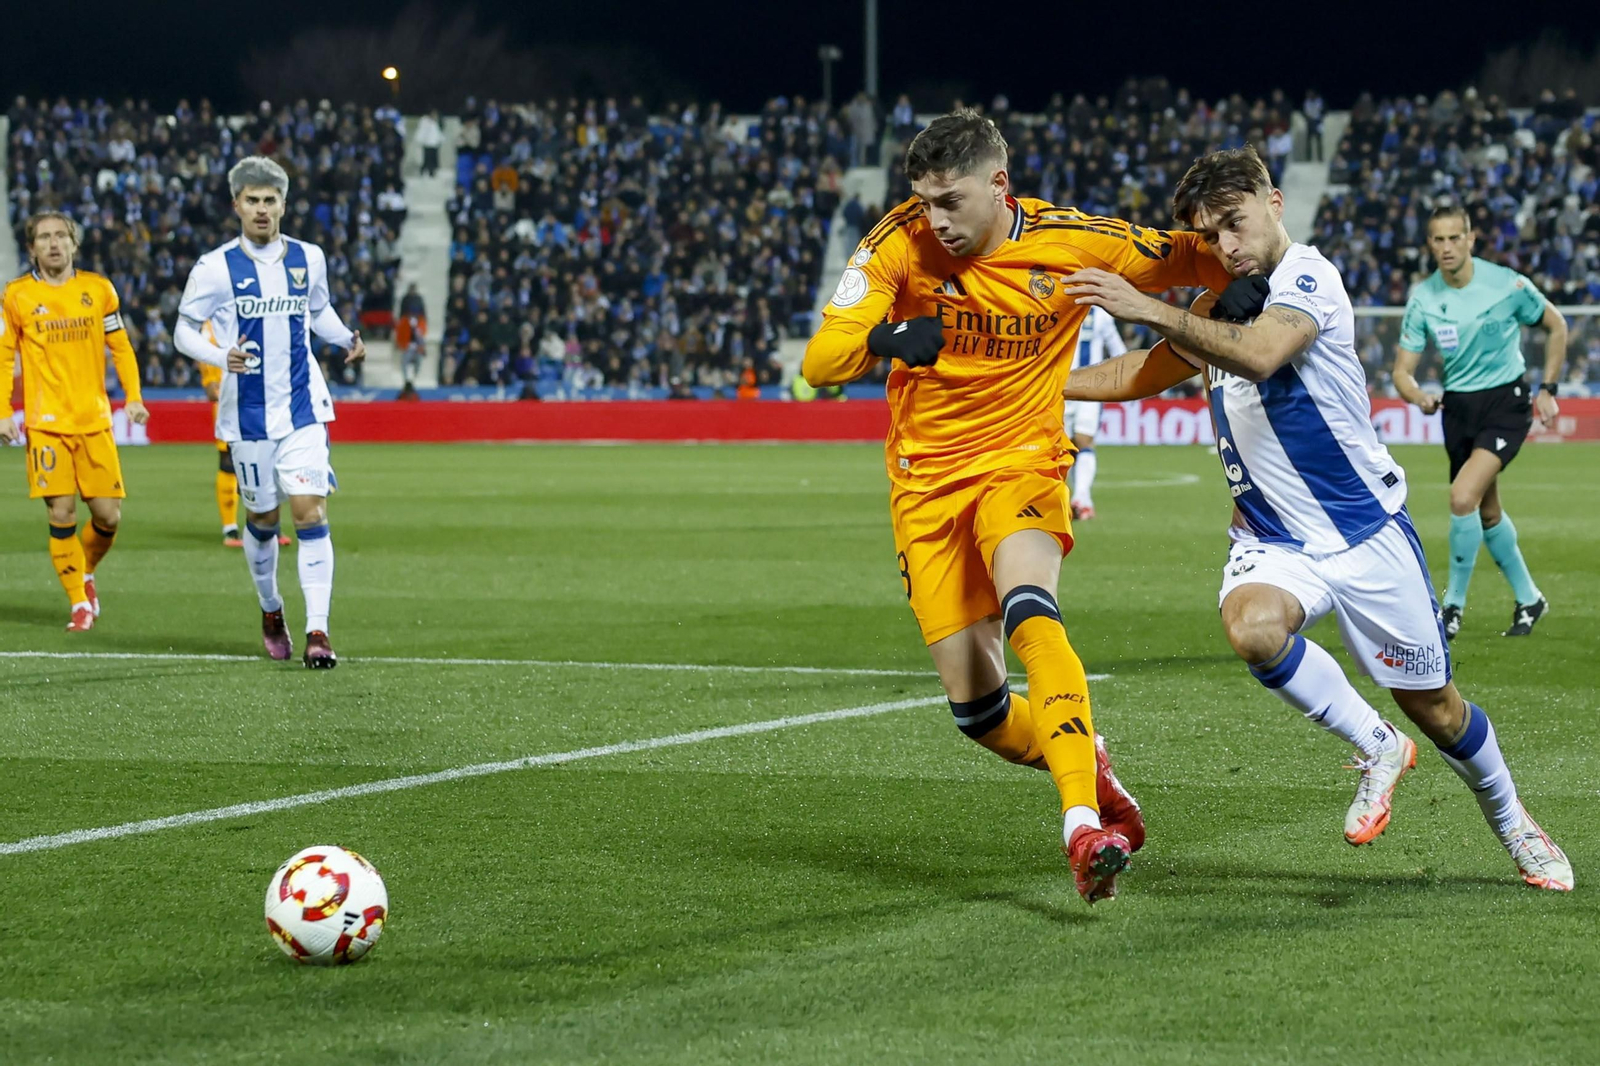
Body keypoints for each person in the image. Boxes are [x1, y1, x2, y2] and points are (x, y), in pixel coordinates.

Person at [1062, 146, 1571, 891]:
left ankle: (1513, 822)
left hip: (1365, 534)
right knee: (1252, 627)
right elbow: (1140, 371)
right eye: (1209, 237)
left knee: (1438, 709)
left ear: (1274, 201)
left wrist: (1145, 303)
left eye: (1234, 224)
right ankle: (1376, 744)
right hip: (1275, 541)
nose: (1225, 247)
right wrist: (1033, 394)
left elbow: (1264, 354)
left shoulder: (1310, 274)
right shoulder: (1213, 303)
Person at [803, 109, 1235, 904]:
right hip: (926, 485)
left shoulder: (1073, 240)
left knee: (1033, 610)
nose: (936, 220)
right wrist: (893, 342)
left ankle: (1081, 825)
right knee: (981, 714)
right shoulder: (897, 240)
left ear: (999, 185)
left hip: (1023, 462)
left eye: (951, 201)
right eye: (925, 201)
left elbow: (1207, 264)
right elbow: (820, 359)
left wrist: (1198, 333)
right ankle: (1087, 758)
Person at [174, 156, 366, 669]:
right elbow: (183, 330)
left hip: (303, 408)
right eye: (252, 200)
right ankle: (270, 608)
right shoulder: (215, 267)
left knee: (310, 512)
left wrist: (345, 335)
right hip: (248, 417)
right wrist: (220, 356)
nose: (262, 209)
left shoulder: (309, 257)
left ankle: (318, 632)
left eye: (270, 200)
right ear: (236, 205)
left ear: (284, 204)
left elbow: (317, 309)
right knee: (262, 517)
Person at [1393, 205, 1566, 640]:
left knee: (1461, 497)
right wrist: (1419, 396)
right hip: (1458, 409)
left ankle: (1451, 608)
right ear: (1429, 244)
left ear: (1471, 239)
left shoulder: (1507, 284)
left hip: (1506, 403)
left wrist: (1548, 388)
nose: (1447, 247)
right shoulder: (1424, 298)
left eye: (1455, 238)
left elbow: (1556, 325)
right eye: (1438, 239)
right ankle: (1530, 599)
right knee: (1486, 511)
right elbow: (1401, 372)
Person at [0, 211, 150, 632]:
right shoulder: (17, 296)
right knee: (61, 513)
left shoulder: (98, 290)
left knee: (108, 517)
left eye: (60, 236)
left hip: (94, 420)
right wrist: (3, 412)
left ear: (73, 244)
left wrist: (134, 398)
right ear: (31, 248)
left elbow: (120, 347)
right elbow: (4, 355)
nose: (53, 244)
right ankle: (79, 602)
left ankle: (85, 571)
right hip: (46, 424)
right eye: (44, 238)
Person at [200, 350, 290, 549]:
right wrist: (211, 381)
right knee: (228, 463)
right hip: (231, 403)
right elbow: (211, 382)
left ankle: (270, 525)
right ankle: (230, 528)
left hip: (265, 401)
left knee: (269, 461)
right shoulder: (211, 326)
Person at [1064, 306, 1126, 519]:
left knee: (1084, 439)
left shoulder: (1101, 315)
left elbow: (1118, 350)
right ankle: (1062, 499)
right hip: (1061, 386)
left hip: (1092, 389)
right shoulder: (1060, 307)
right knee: (1063, 444)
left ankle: (1082, 499)